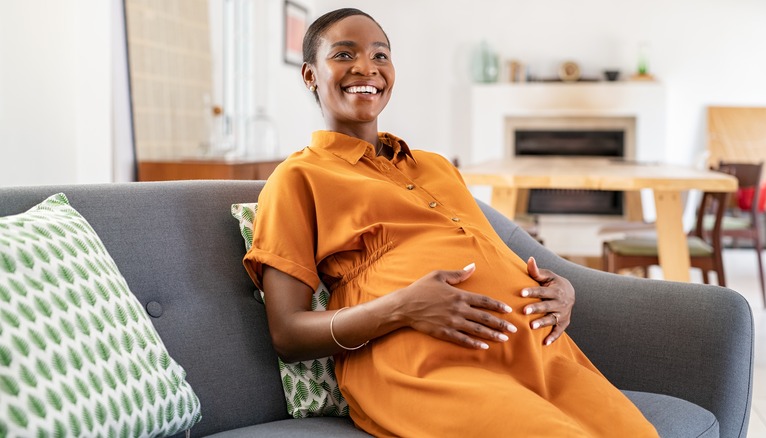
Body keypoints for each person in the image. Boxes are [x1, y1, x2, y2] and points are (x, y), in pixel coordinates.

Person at [243, 8, 657, 437]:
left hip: (541, 351)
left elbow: (489, 254)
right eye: (344, 54)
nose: (367, 67)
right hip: (421, 363)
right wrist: (402, 306)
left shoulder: (436, 166)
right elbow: (287, 334)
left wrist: (562, 289)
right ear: (310, 75)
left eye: (380, 55)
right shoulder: (298, 178)